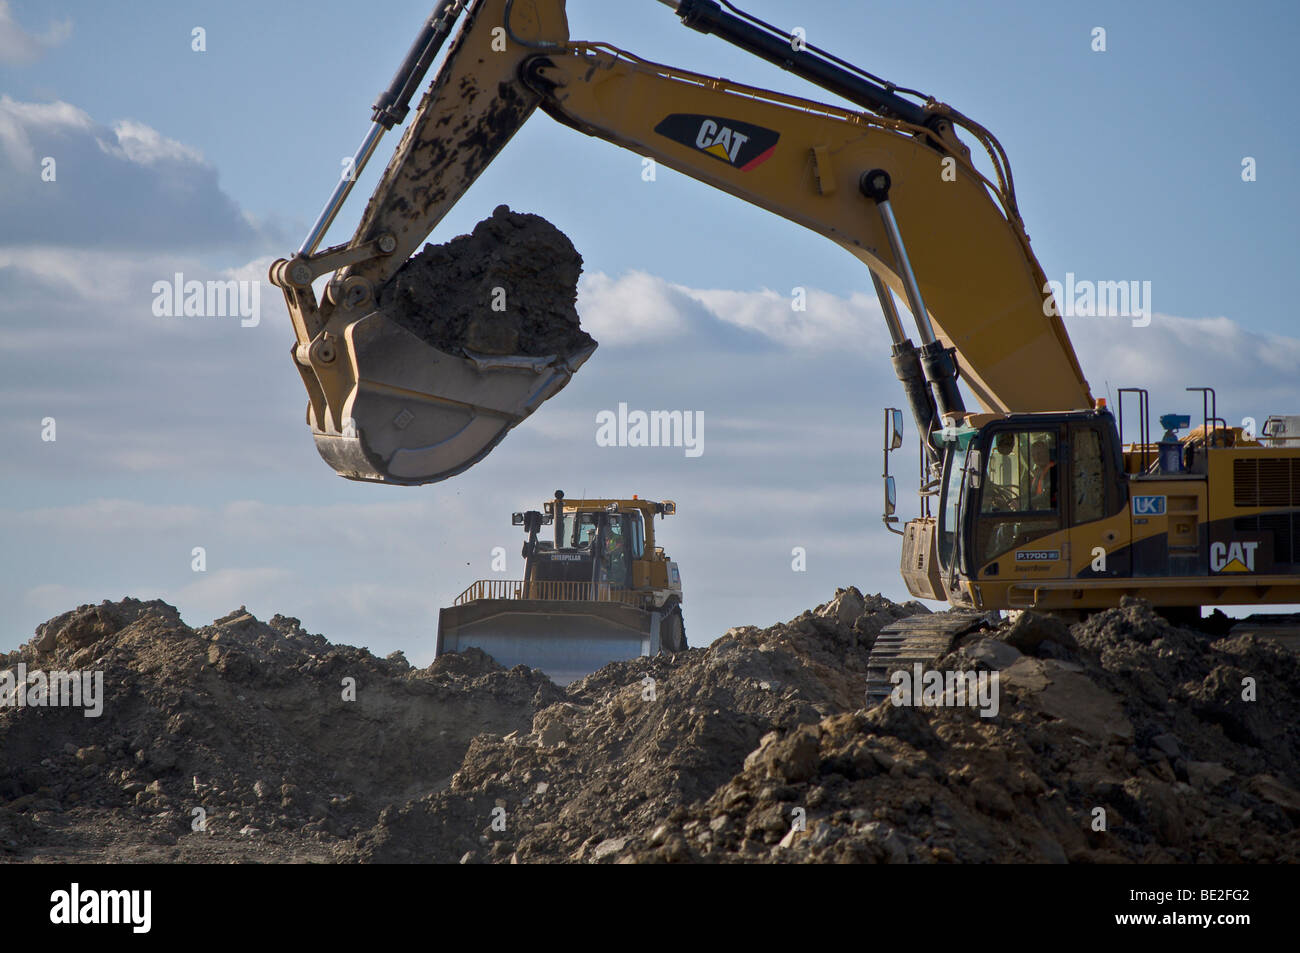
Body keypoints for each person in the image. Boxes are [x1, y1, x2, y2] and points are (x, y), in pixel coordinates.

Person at [1028, 439, 1057, 510]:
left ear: (1047, 453)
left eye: (1039, 454)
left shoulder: (1054, 470)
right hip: (1041, 513)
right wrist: (1017, 500)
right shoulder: (1039, 472)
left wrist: (1027, 502)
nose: (1037, 457)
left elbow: (1047, 496)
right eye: (1033, 455)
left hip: (1050, 514)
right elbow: (1032, 493)